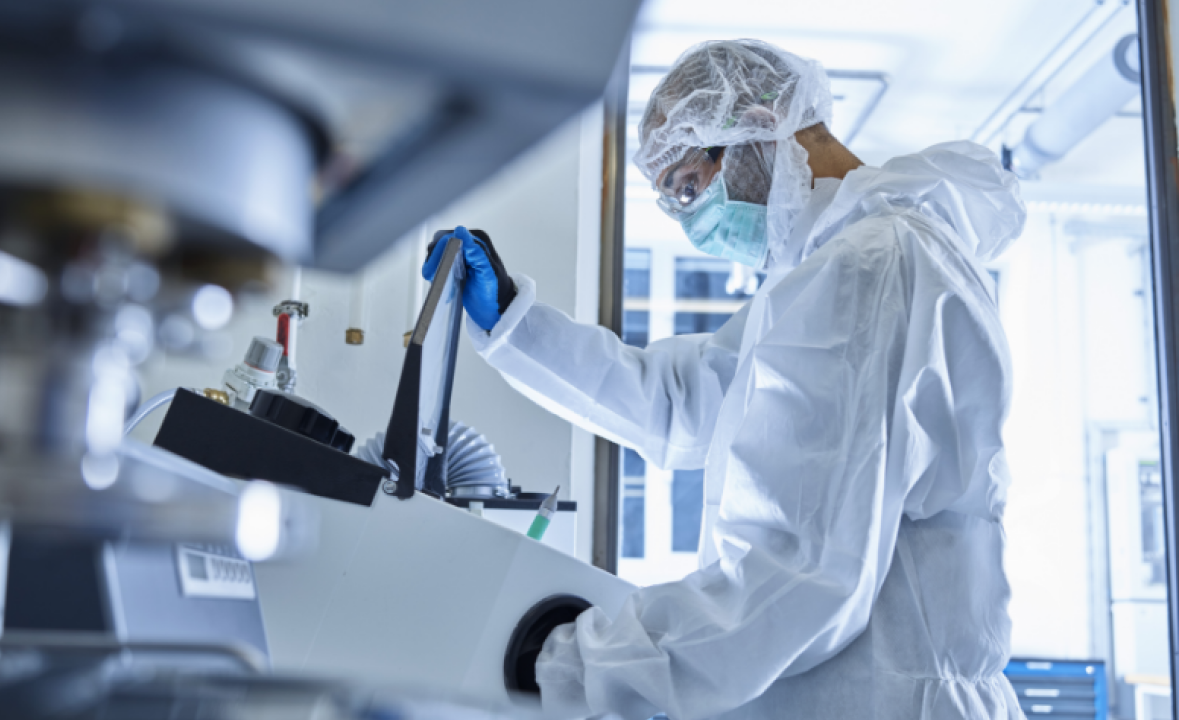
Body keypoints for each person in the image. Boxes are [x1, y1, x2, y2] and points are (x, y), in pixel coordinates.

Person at [425, 39, 1027, 720]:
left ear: (759, 123)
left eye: (688, 186)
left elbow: (797, 577)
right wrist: (513, 322)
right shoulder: (839, 265)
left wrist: (573, 665)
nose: (694, 224)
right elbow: (685, 406)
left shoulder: (868, 268)